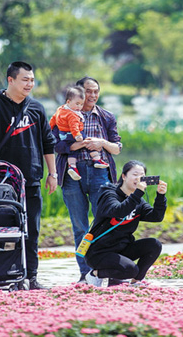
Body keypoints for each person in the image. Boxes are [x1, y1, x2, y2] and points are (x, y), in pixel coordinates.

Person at [0, 61, 57, 291]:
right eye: (25, 79)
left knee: (32, 231)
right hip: (0, 183)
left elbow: (48, 142)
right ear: (10, 80)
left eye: (32, 79)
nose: (30, 84)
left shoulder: (36, 108)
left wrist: (53, 173)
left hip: (31, 180)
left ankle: (31, 277)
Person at [52, 76, 122, 282]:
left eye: (95, 91)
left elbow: (117, 147)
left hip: (100, 172)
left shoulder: (106, 117)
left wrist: (101, 142)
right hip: (73, 174)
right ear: (78, 93)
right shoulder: (63, 115)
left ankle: (109, 270)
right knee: (79, 227)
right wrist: (79, 145)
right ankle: (86, 273)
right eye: (88, 91)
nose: (92, 95)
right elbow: (55, 145)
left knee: (105, 222)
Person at [84, 160, 167, 287]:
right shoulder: (109, 194)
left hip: (121, 249)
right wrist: (137, 193)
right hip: (99, 252)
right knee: (131, 270)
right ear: (123, 176)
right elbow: (119, 211)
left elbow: (156, 217)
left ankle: (136, 282)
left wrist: (160, 196)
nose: (138, 178)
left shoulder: (138, 200)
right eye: (135, 174)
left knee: (154, 244)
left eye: (142, 175)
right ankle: (94, 274)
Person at [49, 85, 108, 182]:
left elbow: (53, 120)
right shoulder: (72, 114)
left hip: (63, 135)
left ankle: (72, 166)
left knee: (73, 150)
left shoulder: (60, 109)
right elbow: (74, 126)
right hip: (73, 134)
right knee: (87, 140)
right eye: (77, 104)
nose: (79, 107)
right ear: (68, 101)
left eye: (81, 104)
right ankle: (96, 158)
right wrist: (78, 136)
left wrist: (49, 128)